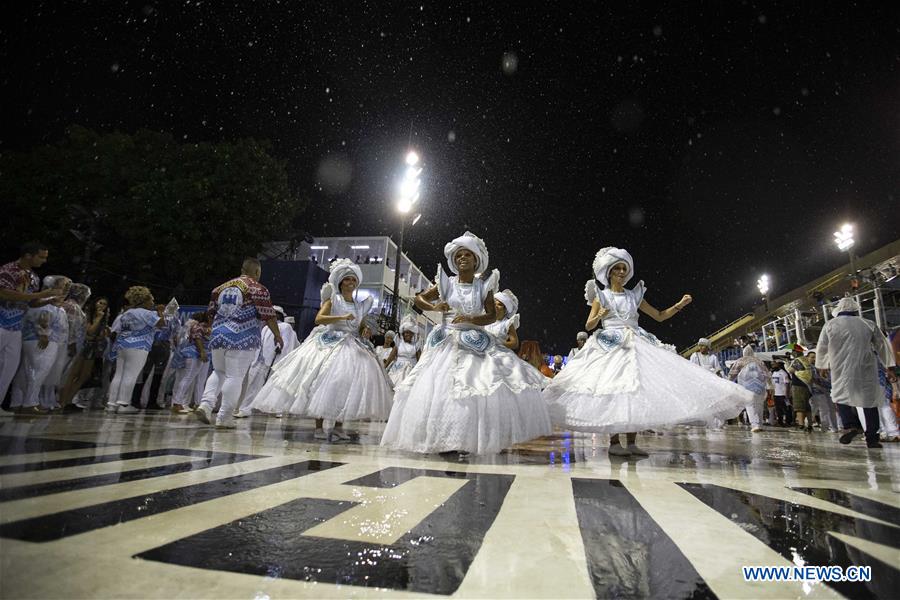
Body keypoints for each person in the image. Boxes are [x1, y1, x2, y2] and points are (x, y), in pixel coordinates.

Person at [544, 246, 753, 457]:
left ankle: (632, 442)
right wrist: (600, 316)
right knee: (614, 388)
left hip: (636, 342)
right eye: (617, 268)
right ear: (609, 272)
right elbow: (589, 325)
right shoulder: (602, 296)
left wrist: (679, 304)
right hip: (610, 344)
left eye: (624, 268)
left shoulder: (634, 296)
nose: (622, 272)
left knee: (636, 390)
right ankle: (615, 442)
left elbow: (659, 315)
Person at [381, 231, 551, 455]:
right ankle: (440, 436)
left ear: (476, 260)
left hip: (473, 340)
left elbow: (491, 316)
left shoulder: (483, 287)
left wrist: (472, 319)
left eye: (467, 255)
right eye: (459, 255)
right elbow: (419, 298)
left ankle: (464, 438)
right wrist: (434, 307)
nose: (462, 258)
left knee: (472, 387)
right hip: (445, 341)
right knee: (438, 388)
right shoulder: (447, 283)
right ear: (454, 260)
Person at [248, 259, 392, 439]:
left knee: (346, 384)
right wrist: (340, 317)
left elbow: (359, 324)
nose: (351, 283)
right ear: (340, 282)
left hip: (352, 345)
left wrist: (363, 329)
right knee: (324, 381)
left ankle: (339, 426)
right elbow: (319, 318)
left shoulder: (359, 304)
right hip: (331, 342)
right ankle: (319, 426)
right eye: (347, 279)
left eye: (354, 280)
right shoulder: (334, 299)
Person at [195, 258, 282, 428]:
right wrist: (277, 335)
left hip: (219, 335)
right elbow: (269, 315)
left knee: (218, 372)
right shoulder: (258, 289)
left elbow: (211, 313)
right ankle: (224, 417)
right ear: (257, 272)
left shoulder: (219, 288)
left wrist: (217, 329)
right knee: (235, 376)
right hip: (242, 337)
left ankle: (205, 405)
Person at [815, 296, 895, 449]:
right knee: (869, 401)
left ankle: (850, 425)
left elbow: (822, 347)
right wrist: (889, 366)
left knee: (840, 395)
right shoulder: (868, 324)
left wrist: (822, 365)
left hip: (840, 366)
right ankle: (872, 438)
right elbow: (882, 345)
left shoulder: (830, 325)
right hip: (865, 366)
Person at [0, 242, 57, 416]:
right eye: (41, 257)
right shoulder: (7, 270)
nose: (44, 261)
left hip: (16, 327)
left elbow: (31, 302)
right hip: (1, 322)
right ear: (28, 255)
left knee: (8, 368)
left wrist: (48, 299)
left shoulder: (33, 276)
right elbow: (4, 293)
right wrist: (39, 295)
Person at [9, 275, 71, 414]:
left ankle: (17, 401)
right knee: (40, 371)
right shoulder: (47, 301)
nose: (65, 290)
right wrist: (44, 333)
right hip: (44, 340)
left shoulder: (39, 300)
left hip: (29, 338)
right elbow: (44, 317)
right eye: (63, 286)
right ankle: (30, 402)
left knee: (24, 371)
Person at [106, 287, 167, 413]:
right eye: (151, 300)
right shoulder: (147, 313)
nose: (153, 303)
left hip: (122, 345)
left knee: (119, 374)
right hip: (139, 346)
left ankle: (111, 404)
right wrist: (161, 311)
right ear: (145, 301)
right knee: (131, 375)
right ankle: (123, 405)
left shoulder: (127, 313)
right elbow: (161, 324)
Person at [235, 305, 299, 417]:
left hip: (276, 362)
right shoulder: (265, 327)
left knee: (276, 387)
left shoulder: (285, 326)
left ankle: (275, 409)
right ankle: (245, 409)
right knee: (253, 386)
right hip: (262, 360)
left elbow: (287, 345)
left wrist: (280, 356)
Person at [60, 296, 110, 409]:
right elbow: (90, 331)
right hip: (84, 347)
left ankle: (68, 401)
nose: (102, 306)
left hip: (93, 348)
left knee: (84, 376)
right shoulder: (89, 314)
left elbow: (96, 334)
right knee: (73, 375)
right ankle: (62, 401)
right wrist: (98, 320)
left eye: (104, 304)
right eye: (100, 302)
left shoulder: (102, 317)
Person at [170, 311, 210, 414]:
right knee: (188, 378)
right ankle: (177, 403)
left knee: (195, 380)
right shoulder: (199, 327)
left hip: (200, 355)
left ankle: (194, 403)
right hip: (194, 354)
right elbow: (197, 338)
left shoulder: (206, 327)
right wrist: (201, 352)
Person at [727, 345, 771, 433]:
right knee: (759, 405)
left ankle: (755, 425)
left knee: (750, 405)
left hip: (747, 387)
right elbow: (767, 374)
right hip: (760, 387)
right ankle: (760, 424)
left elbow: (732, 374)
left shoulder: (740, 361)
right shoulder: (759, 361)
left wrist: (728, 382)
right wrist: (770, 386)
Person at [806, 350, 837, 433]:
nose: (814, 359)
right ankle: (809, 425)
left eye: (815, 357)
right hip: (814, 392)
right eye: (812, 357)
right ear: (807, 358)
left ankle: (830, 427)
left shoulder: (819, 367)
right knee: (815, 409)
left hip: (825, 390)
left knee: (828, 409)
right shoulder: (808, 368)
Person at [385, 317, 420, 387]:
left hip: (411, 371)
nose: (409, 334)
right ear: (403, 333)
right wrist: (383, 368)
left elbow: (420, 359)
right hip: (398, 370)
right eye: (407, 332)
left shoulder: (416, 344)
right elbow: (391, 357)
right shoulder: (399, 342)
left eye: (411, 333)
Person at [787, 350, 814, 432]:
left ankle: (801, 425)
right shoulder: (806, 360)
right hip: (807, 385)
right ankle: (810, 425)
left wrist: (787, 364)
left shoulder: (798, 360)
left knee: (799, 407)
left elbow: (790, 370)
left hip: (798, 385)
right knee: (807, 406)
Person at [770, 361, 791, 426]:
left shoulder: (783, 373)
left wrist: (787, 394)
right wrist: (772, 393)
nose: (773, 366)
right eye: (772, 365)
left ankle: (788, 421)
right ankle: (780, 422)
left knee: (786, 408)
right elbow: (772, 384)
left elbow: (787, 383)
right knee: (778, 409)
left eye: (774, 364)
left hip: (783, 394)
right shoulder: (773, 373)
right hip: (776, 394)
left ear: (778, 364)